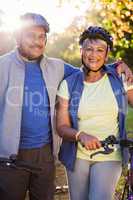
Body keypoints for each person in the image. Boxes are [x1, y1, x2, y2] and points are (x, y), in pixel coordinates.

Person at [0, 13, 132, 200]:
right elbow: (88, 66)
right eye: (30, 35)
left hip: (45, 157)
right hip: (9, 159)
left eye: (41, 37)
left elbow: (92, 68)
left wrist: (118, 65)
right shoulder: (2, 66)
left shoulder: (57, 67)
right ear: (18, 37)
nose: (37, 42)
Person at [56, 26, 133, 200]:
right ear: (81, 51)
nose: (93, 55)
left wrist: (122, 66)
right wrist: (80, 135)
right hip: (77, 156)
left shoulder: (120, 78)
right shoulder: (68, 84)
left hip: (110, 155)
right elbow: (61, 126)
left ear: (107, 54)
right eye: (89, 49)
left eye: (100, 50)